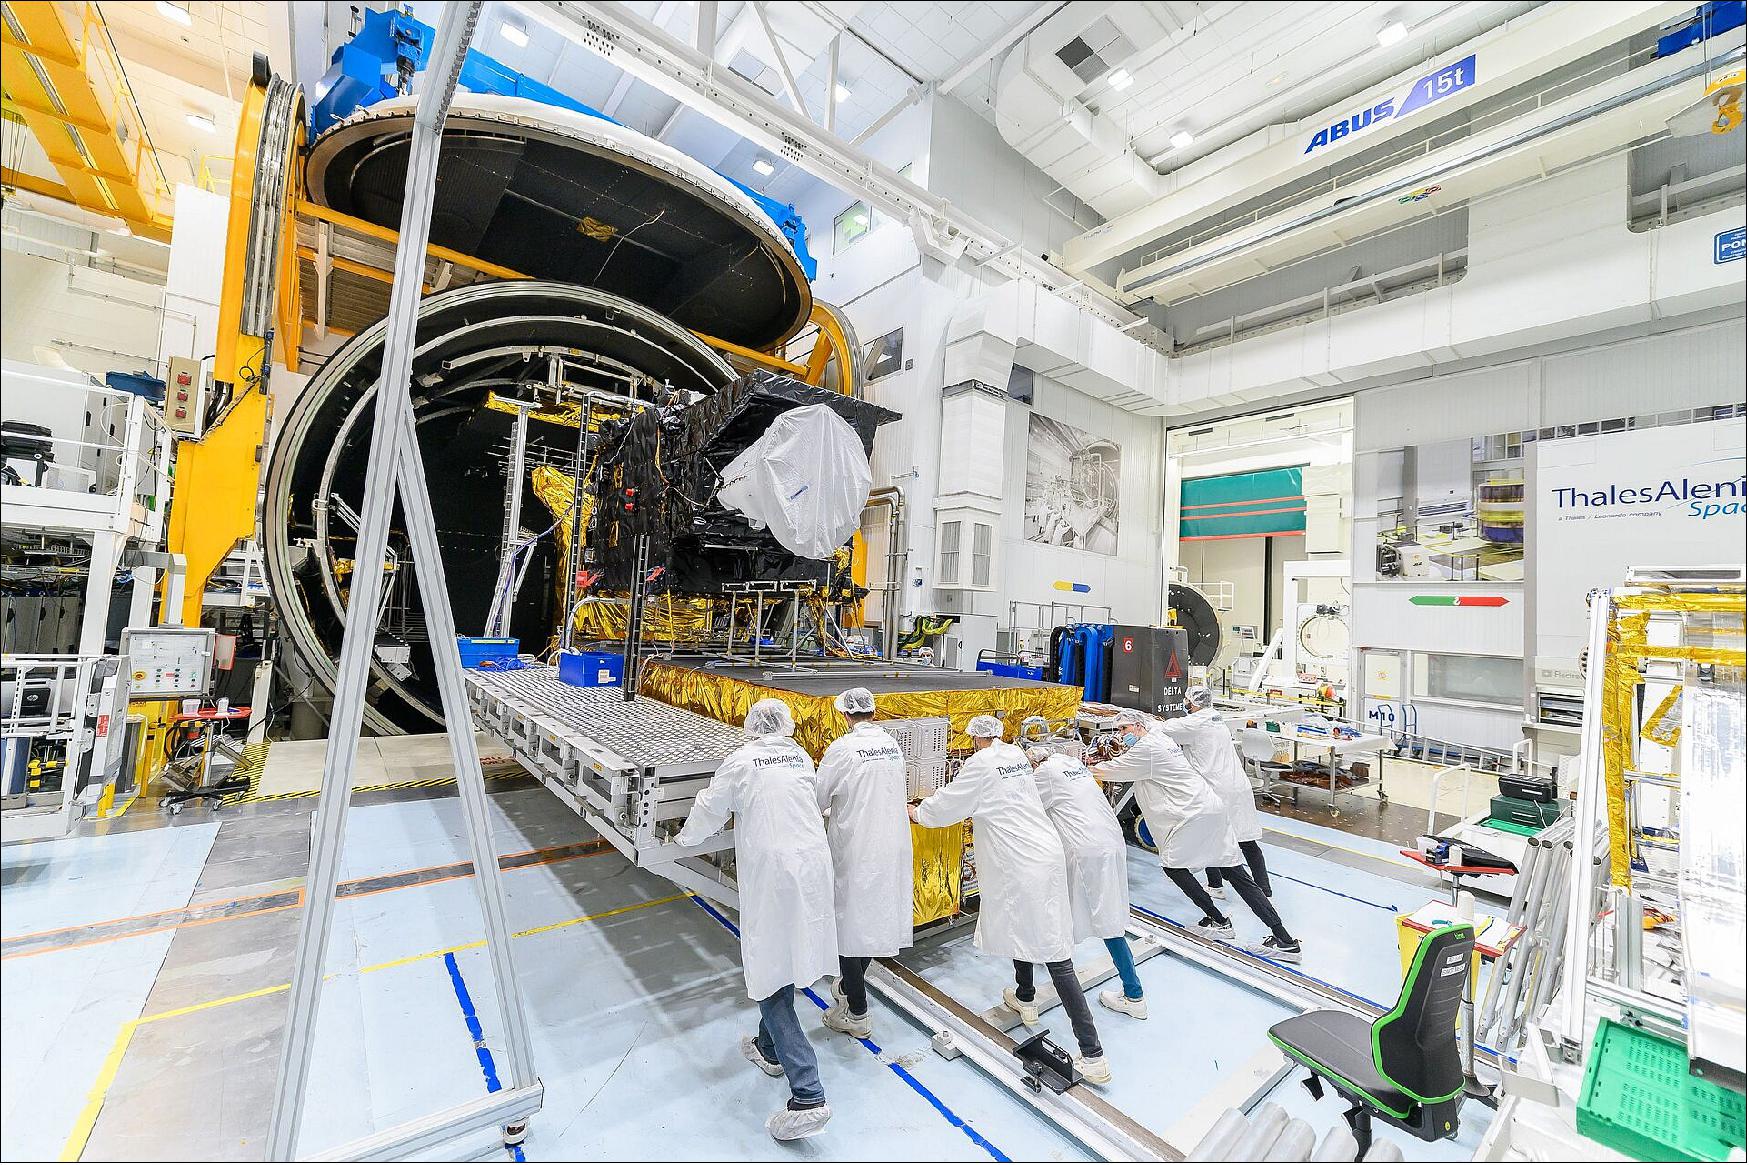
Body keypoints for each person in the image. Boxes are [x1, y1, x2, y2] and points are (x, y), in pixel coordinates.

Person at [911, 715, 1113, 1084]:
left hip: (1024, 862)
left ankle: (1092, 1052)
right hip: (1040, 852)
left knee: (1054, 950)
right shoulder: (1015, 756)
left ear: (974, 738)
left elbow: (946, 807)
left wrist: (917, 811)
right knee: (1026, 927)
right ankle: (1025, 997)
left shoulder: (981, 765)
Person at [674, 698, 838, 1141]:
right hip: (812, 864)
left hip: (775, 871)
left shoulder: (742, 759)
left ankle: (808, 1094)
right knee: (790, 957)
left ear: (751, 725)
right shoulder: (799, 753)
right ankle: (768, 1050)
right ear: (784, 724)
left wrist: (683, 839)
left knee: (768, 972)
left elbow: (710, 805)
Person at [1092, 709, 1302, 963]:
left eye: (1124, 729)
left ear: (1138, 726)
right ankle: (1285, 940)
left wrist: (1077, 764)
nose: (1120, 735)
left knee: (1173, 867)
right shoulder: (1160, 739)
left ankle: (1218, 921)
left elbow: (1110, 771)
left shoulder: (1146, 751)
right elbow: (1156, 732)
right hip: (1211, 809)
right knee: (1235, 872)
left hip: (1191, 816)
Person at [814, 687, 912, 1039]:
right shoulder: (891, 745)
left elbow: (818, 795)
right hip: (892, 844)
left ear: (844, 715)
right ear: (872, 711)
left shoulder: (842, 749)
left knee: (848, 929)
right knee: (871, 923)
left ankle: (857, 1013)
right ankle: (846, 989)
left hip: (858, 848)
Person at [1025, 745, 1147, 1019]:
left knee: (1069, 912)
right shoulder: (1072, 766)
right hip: (1110, 845)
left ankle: (1133, 995)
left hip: (1086, 852)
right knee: (1109, 917)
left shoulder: (1044, 774)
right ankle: (1132, 989)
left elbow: (1024, 807)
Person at [1155, 686, 1271, 899]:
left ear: (1195, 703)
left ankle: (1218, 886)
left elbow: (1164, 729)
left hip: (1217, 789)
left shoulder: (1194, 722)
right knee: (1244, 839)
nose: (1185, 704)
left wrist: (1148, 721)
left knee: (1212, 837)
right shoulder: (1216, 718)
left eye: (1187, 700)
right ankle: (1264, 888)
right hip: (1236, 785)